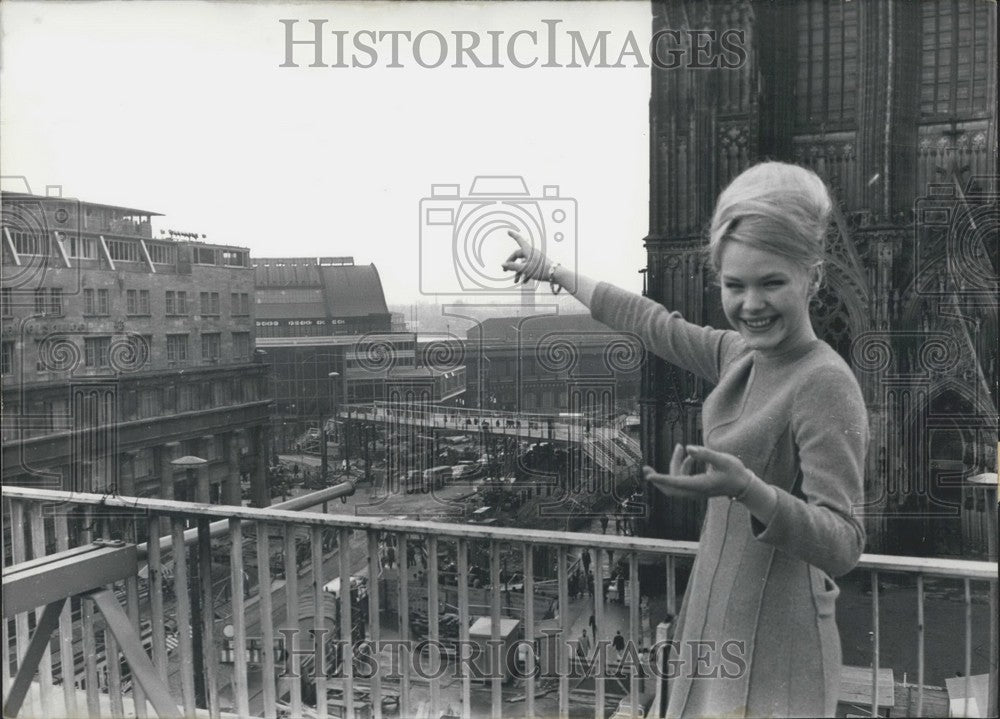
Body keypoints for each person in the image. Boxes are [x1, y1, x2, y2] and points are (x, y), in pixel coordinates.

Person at [503, 161, 867, 718]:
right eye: (734, 285)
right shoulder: (738, 353)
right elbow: (650, 321)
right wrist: (553, 270)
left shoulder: (825, 380)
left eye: (772, 282)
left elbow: (843, 543)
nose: (751, 304)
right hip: (710, 617)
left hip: (779, 638)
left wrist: (748, 489)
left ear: (812, 278)